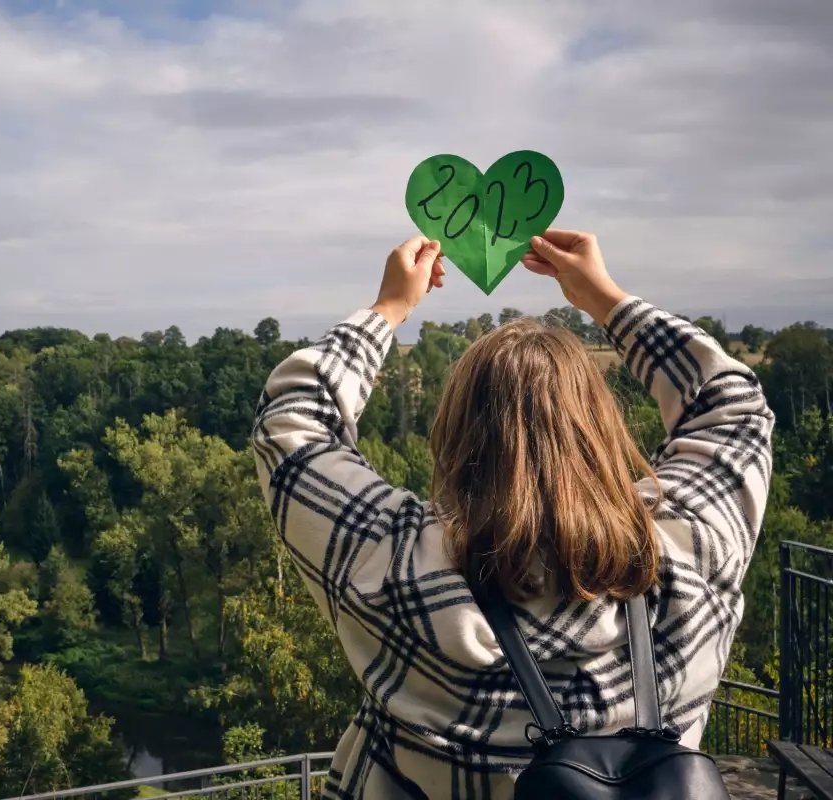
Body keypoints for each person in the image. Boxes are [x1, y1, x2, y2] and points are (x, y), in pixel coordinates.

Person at [251, 229, 774, 799]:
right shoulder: (689, 554)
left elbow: (293, 424)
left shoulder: (398, 572)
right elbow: (732, 406)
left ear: (455, 438)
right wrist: (605, 299)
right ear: (599, 430)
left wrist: (389, 308)